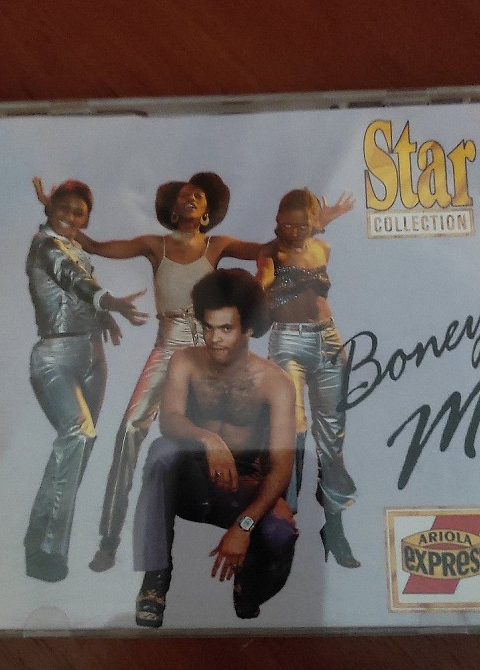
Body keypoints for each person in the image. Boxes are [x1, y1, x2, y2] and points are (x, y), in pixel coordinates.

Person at [32, 175, 351, 573]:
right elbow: (94, 246)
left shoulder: (217, 245)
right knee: (130, 428)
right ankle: (109, 539)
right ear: (171, 209)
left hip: (206, 348)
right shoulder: (155, 245)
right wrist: (55, 213)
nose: (191, 197)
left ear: (207, 211)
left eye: (198, 195)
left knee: (241, 426)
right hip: (168, 345)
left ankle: (258, 528)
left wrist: (315, 225)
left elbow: (274, 246)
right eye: (183, 195)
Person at [132, 268, 297, 627]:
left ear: (248, 329)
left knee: (281, 530)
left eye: (226, 329)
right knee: (162, 452)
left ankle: (248, 587)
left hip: (243, 487)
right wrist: (208, 439)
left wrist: (244, 526)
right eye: (208, 327)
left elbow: (282, 466)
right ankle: (156, 578)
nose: (214, 339)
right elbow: (169, 419)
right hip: (193, 480)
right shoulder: (185, 361)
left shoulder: (276, 383)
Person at [24, 180, 147, 582]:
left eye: (80, 213)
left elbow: (79, 281)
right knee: (78, 433)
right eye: (64, 208)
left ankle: (40, 538)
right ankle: (47, 550)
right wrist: (110, 302)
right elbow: (74, 278)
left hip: (93, 356)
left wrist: (103, 317)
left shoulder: (74, 244)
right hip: (55, 355)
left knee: (78, 449)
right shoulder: (46, 247)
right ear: (50, 210)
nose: (71, 217)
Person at [256, 188, 360, 568]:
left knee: (332, 437)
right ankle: (285, 520)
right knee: (293, 428)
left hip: (328, 339)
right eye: (286, 224)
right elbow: (263, 282)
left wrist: (321, 221)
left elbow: (315, 229)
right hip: (288, 341)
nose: (293, 231)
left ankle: (334, 525)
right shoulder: (270, 253)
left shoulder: (322, 249)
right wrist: (264, 288)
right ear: (277, 221)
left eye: (301, 226)